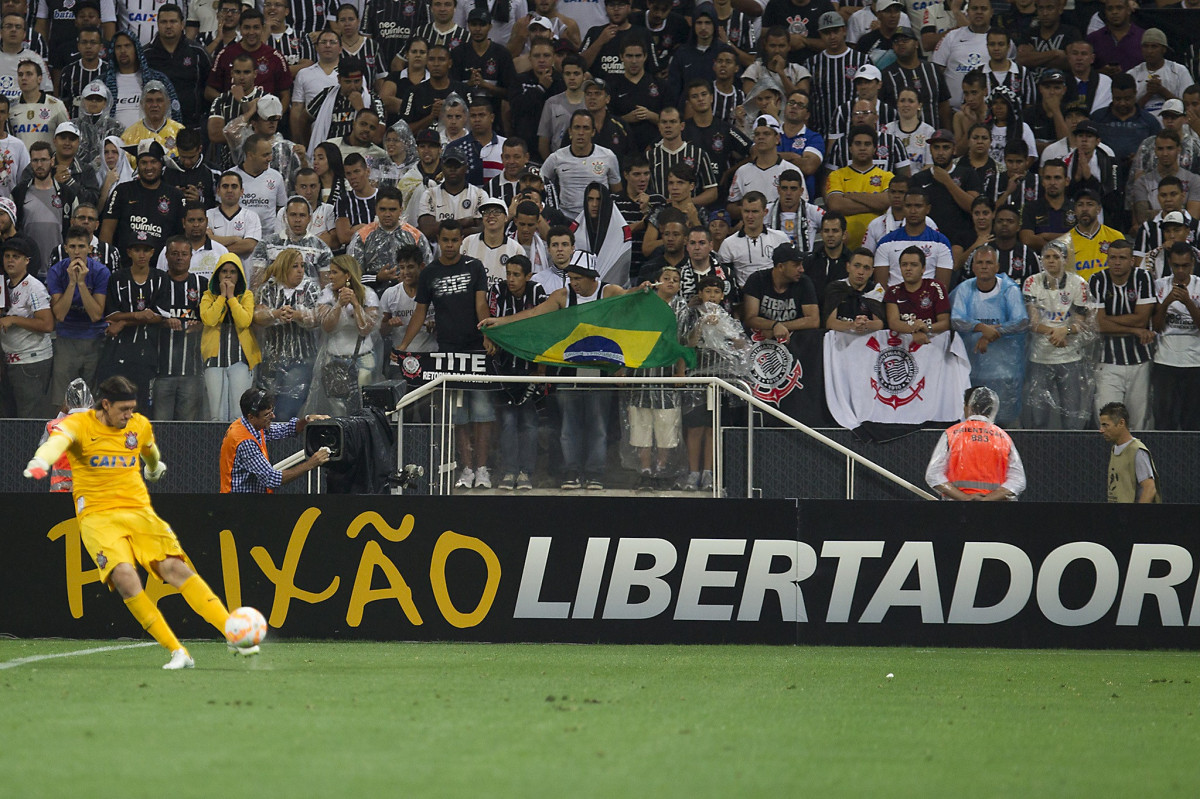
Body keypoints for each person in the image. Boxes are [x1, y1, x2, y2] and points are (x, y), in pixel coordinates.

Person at [23, 374, 241, 669]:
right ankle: (177, 651)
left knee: (175, 568)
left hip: (138, 511)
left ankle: (232, 630)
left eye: (131, 408)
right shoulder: (79, 424)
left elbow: (149, 452)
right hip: (98, 516)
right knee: (126, 578)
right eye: (123, 409)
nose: (129, 415)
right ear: (105, 404)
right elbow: (57, 442)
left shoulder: (138, 425)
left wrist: (154, 468)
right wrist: (41, 460)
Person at [479, 249, 632, 490]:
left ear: (592, 277)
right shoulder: (562, 295)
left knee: (598, 426)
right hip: (568, 369)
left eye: (578, 278)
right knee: (568, 426)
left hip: (601, 371)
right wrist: (499, 322)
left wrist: (646, 290)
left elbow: (632, 301)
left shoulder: (608, 292)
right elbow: (533, 315)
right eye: (571, 278)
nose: (574, 283)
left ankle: (594, 474)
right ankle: (571, 471)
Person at [950, 245, 1029, 426]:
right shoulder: (964, 289)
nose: (984, 266)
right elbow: (956, 320)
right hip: (972, 370)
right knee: (974, 421)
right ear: (973, 266)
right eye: (980, 262)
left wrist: (990, 333)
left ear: (997, 266)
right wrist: (980, 327)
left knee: (1005, 422)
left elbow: (1021, 322)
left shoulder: (1009, 289)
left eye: (988, 262)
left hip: (1005, 371)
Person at [488, 253, 546, 490]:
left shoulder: (538, 292)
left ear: (528, 276)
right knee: (508, 423)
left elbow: (544, 329)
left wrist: (541, 370)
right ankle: (509, 471)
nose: (510, 279)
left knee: (530, 424)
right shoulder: (498, 291)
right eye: (508, 274)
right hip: (504, 369)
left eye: (516, 275)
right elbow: (491, 322)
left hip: (530, 370)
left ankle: (526, 473)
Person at [1023, 238, 1094, 429]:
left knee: (1071, 418)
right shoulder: (1031, 282)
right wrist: (1058, 332)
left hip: (1070, 357)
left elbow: (1082, 322)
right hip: (1040, 358)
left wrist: (1066, 330)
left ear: (1065, 259)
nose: (1051, 261)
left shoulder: (1078, 284)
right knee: (1038, 419)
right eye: (1047, 257)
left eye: (1056, 257)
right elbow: (1033, 321)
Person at [1090, 239, 1155, 432]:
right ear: (1107, 259)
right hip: (1107, 362)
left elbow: (1142, 319)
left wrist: (1111, 320)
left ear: (1132, 260)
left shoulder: (1143, 278)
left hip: (1140, 361)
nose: (1117, 262)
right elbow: (1098, 324)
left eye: (1122, 258)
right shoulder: (1098, 280)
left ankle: (1137, 461)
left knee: (1138, 422)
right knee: (1108, 423)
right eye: (1113, 258)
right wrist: (1134, 330)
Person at [253, 247, 322, 420]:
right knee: (269, 410)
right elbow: (258, 316)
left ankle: (285, 443)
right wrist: (276, 314)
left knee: (286, 410)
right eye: (295, 266)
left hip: (301, 359)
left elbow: (317, 318)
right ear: (283, 267)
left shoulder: (311, 289)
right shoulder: (267, 289)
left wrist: (297, 315)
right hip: (272, 360)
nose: (300, 270)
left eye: (302, 266)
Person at [925, 386, 1027, 501]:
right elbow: (1018, 480)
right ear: (992, 409)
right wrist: (988, 499)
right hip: (996, 508)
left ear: (967, 407)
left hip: (957, 508)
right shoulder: (1003, 437)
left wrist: (965, 498)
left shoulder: (952, 434)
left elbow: (933, 476)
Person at [220, 386, 331, 492]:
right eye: (267, 414)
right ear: (251, 417)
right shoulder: (246, 442)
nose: (273, 416)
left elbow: (288, 429)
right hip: (238, 504)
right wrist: (310, 464)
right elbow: (271, 479)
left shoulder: (249, 425)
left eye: (272, 411)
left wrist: (306, 420)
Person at [309, 253, 381, 417]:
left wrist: (356, 304)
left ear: (347, 274)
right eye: (330, 272)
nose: (330, 276)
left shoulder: (368, 294)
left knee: (362, 406)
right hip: (334, 359)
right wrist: (339, 305)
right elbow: (327, 326)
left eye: (334, 272)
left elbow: (365, 328)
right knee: (339, 409)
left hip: (362, 359)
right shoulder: (325, 295)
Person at [199, 252, 261, 421]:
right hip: (214, 359)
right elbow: (209, 319)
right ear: (217, 274)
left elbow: (244, 321)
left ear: (239, 275)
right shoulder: (208, 295)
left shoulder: (246, 295)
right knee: (216, 415)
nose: (227, 275)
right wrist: (221, 297)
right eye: (224, 271)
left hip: (240, 359)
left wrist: (232, 298)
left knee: (238, 413)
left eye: (232, 271)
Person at [151, 236, 205, 421]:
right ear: (166, 256)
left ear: (191, 256)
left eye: (184, 254)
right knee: (160, 426)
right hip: (161, 371)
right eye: (174, 254)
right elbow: (146, 315)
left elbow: (213, 320)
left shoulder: (202, 284)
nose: (179, 258)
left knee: (186, 427)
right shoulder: (156, 282)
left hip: (192, 372)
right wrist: (163, 322)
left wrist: (200, 325)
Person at [0, 233, 54, 416]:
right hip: (9, 360)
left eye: (16, 257)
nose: (10, 261)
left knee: (28, 416)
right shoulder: (4, 285)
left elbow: (47, 324)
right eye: (7, 256)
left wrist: (14, 319)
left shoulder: (34, 286)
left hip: (32, 361)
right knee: (10, 413)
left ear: (26, 261)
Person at [1151, 241, 1200, 430]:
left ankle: (1191, 459)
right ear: (1170, 264)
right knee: (1164, 419)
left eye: (1185, 265)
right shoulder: (1159, 285)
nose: (1180, 270)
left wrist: (1188, 302)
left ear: (1193, 264)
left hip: (1195, 362)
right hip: (1165, 361)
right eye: (1176, 266)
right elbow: (1156, 327)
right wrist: (1166, 303)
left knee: (1192, 420)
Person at [884, 245, 951, 346]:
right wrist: (915, 331)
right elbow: (893, 322)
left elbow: (945, 323)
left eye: (914, 265)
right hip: (903, 346)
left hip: (933, 344)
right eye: (904, 264)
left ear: (923, 268)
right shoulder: (892, 291)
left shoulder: (936, 287)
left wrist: (927, 328)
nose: (908, 268)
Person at [1099, 400, 1159, 503]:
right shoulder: (1115, 449)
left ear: (1121, 423)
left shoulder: (1137, 451)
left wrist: (1135, 516)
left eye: (1105, 425)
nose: (1101, 430)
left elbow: (1150, 488)